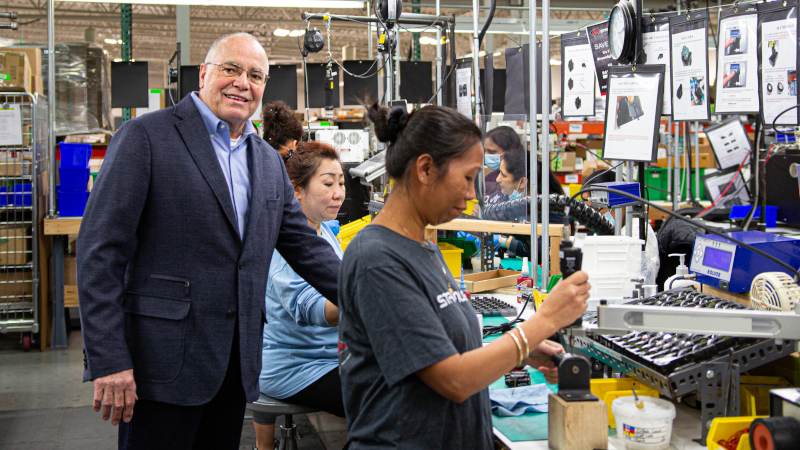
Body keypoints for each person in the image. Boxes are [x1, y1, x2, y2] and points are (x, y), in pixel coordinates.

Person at [76, 32, 341, 450]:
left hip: (234, 366)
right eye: (231, 69)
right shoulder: (145, 137)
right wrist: (109, 358)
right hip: (161, 365)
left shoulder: (267, 161)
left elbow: (307, 251)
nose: (242, 82)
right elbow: (99, 252)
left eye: (255, 75)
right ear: (203, 74)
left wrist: (377, 292)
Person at [337, 102, 591, 449]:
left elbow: (436, 348)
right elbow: (452, 379)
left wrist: (521, 350)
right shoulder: (377, 260)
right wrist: (542, 322)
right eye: (468, 178)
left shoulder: (423, 246)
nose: (473, 194)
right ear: (425, 169)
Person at [252, 141, 346, 450]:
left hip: (329, 358)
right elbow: (312, 309)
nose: (339, 192)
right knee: (384, 405)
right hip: (297, 367)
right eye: (328, 183)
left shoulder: (324, 229)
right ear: (296, 191)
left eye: (341, 183)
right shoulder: (286, 246)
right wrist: (369, 300)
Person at [482, 126, 523, 198]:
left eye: (492, 152)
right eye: (485, 151)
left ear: (510, 150)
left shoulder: (523, 178)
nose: (486, 156)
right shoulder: (489, 178)